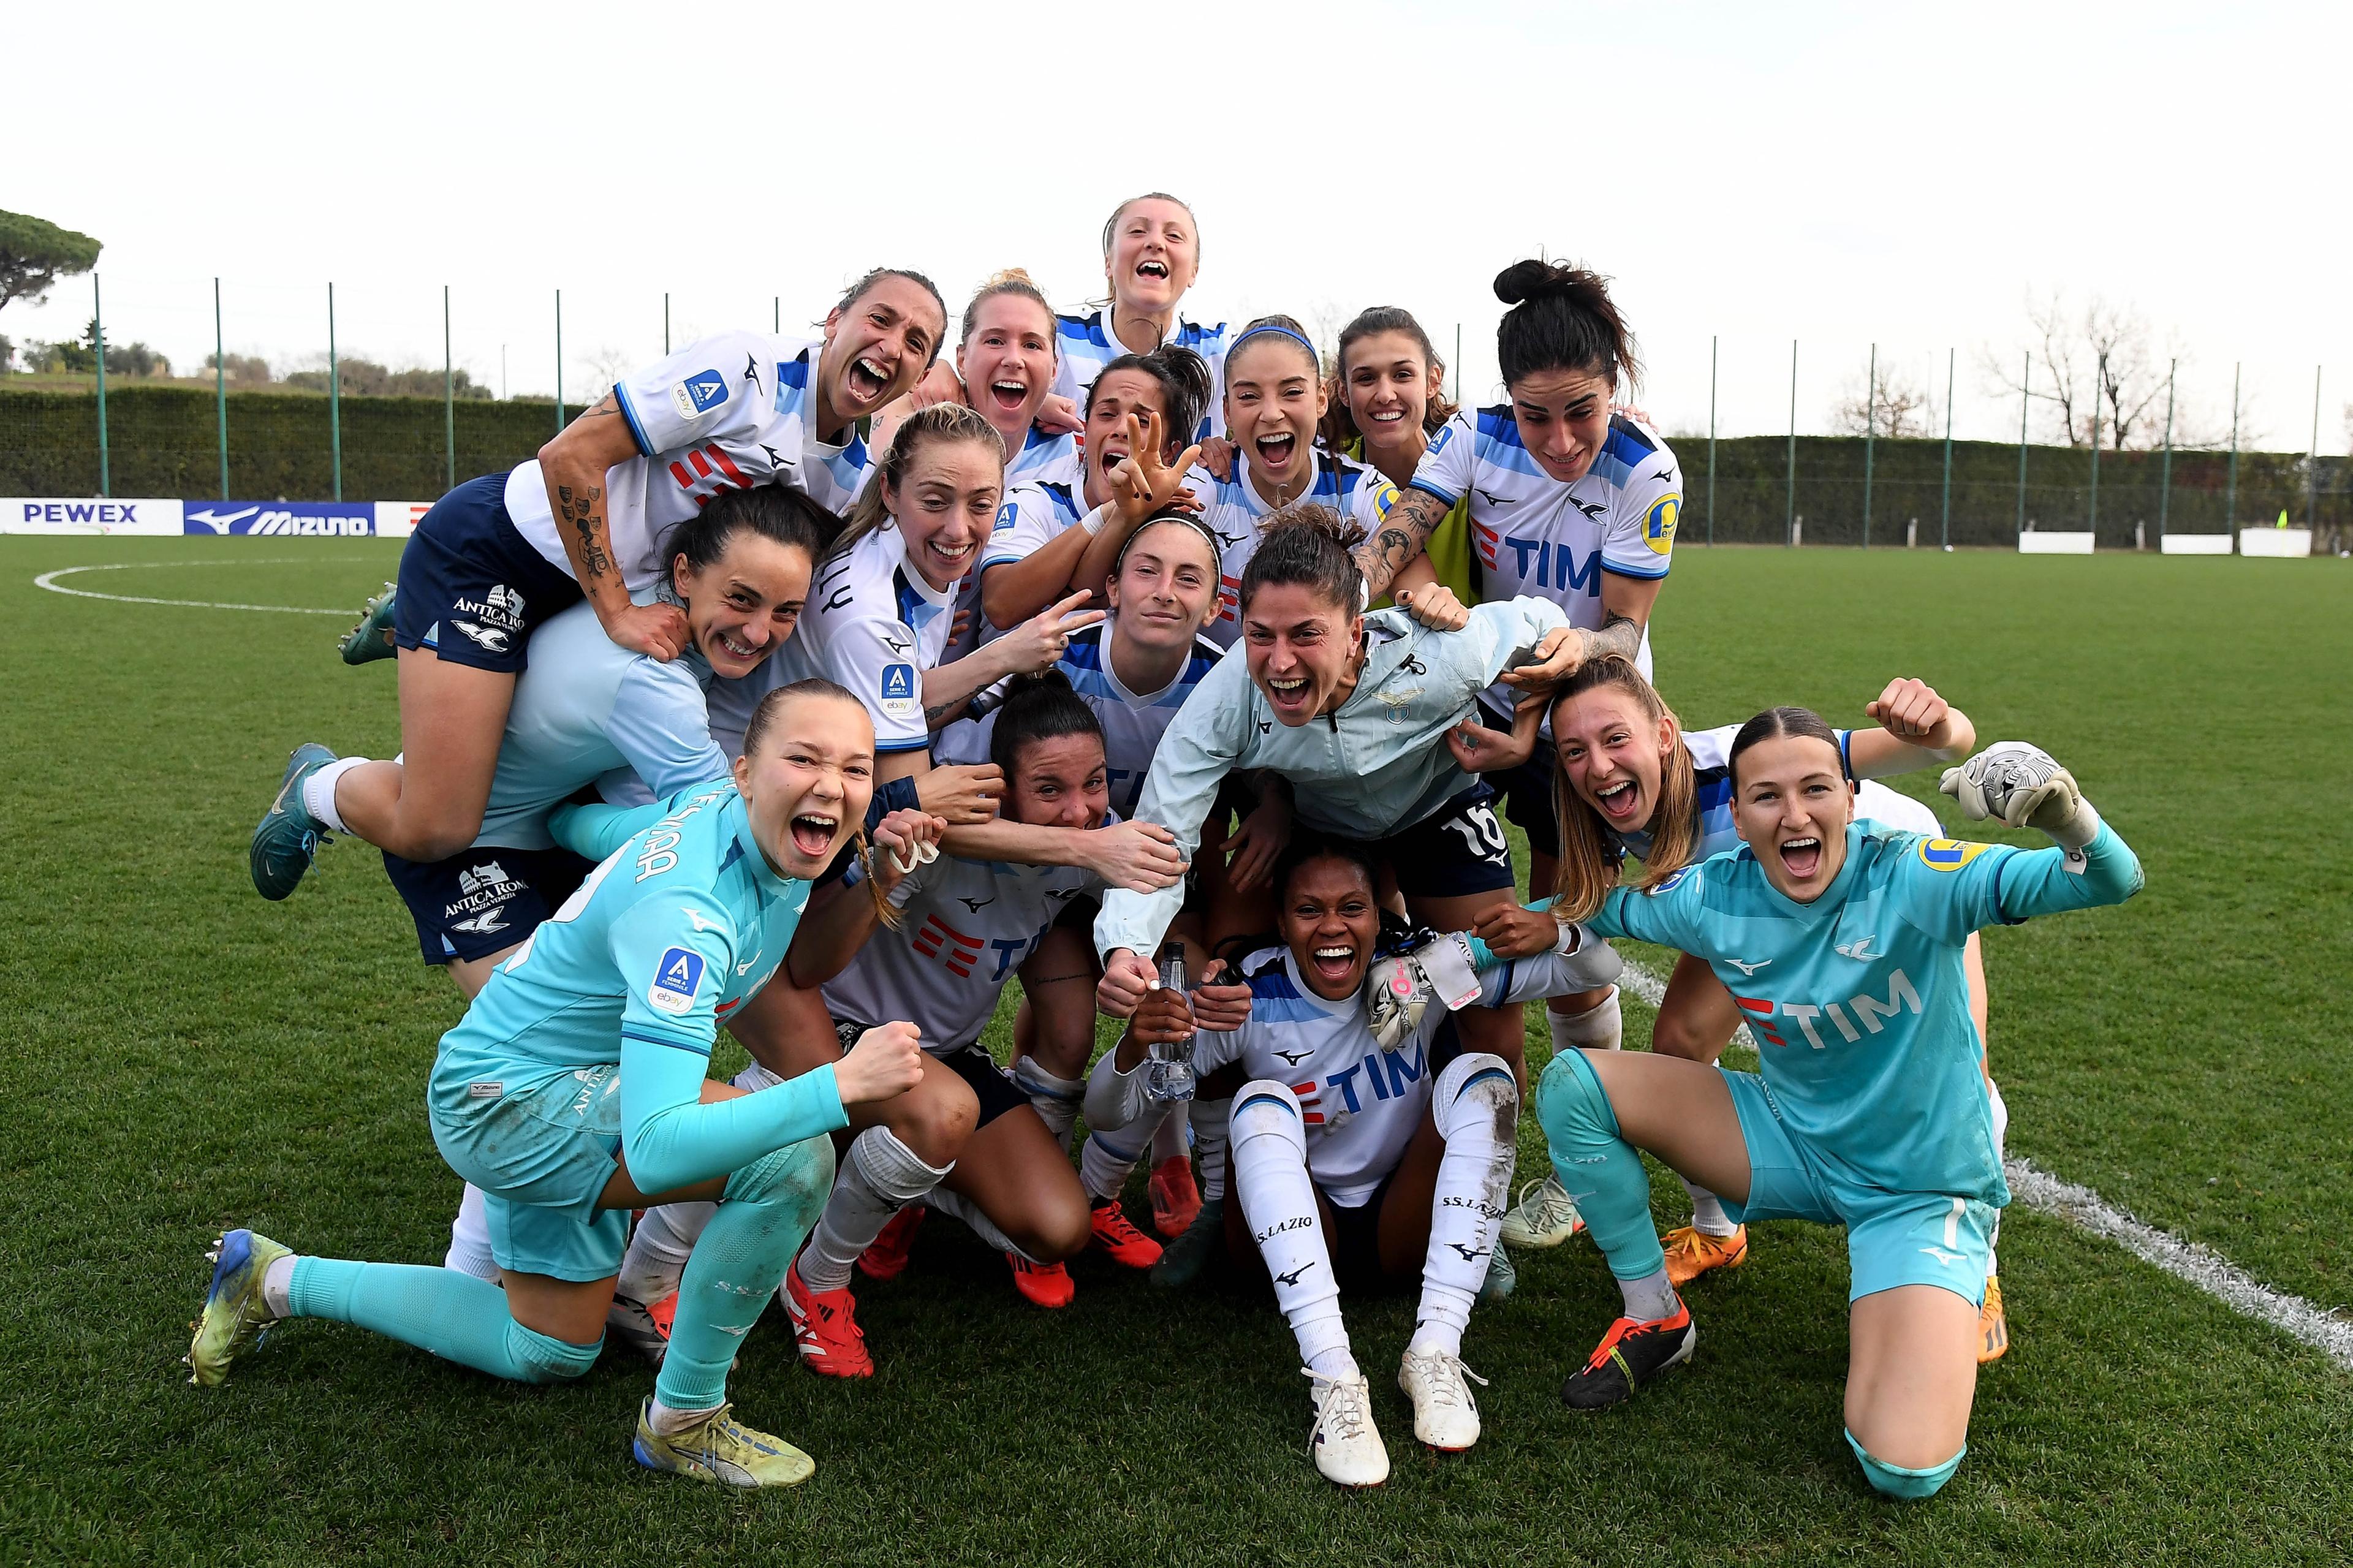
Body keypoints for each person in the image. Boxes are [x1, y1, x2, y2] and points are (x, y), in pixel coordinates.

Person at [187, 680, 943, 1488]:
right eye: (806, 757)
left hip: (548, 1085)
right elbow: (654, 1151)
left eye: (855, 768)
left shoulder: (743, 820)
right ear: (746, 769)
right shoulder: (686, 914)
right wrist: (836, 1086)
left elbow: (595, 825)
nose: (833, 783)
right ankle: (684, 1419)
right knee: (792, 1157)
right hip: (512, 1103)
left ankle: (267, 1275)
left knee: (547, 1348)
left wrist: (877, 876)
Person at [1493, 719, 2142, 1499]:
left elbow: (2108, 878)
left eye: (1814, 790)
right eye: (1766, 796)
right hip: (1791, 1142)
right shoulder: (1716, 892)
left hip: (1917, 1188)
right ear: (1739, 815)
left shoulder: (1917, 876)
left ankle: (1955, 1274)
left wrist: (2061, 815)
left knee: (1904, 1466)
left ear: (1851, 798)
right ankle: (1656, 1315)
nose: (1793, 816)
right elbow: (1607, 910)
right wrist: (1537, 922)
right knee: (1576, 1085)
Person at [253, 269, 949, 900]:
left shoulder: (846, 473)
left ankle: (419, 629)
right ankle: (317, 784)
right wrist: (617, 611)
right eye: (880, 320)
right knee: (438, 824)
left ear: (922, 370)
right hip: (503, 560)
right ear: (834, 321)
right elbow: (571, 454)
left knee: (554, 768)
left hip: (593, 602)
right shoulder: (745, 372)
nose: (893, 345)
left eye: (917, 341)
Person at [1091, 506, 1585, 1276]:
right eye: (1261, 636)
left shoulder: (1441, 652)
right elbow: (1163, 830)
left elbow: (1545, 621)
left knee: (1492, 1014)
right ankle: (1225, 1197)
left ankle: (1470, 1220)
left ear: (1357, 632)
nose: (1280, 662)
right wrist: (1125, 943)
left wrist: (1527, 722)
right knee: (1231, 982)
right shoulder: (1226, 699)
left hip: (1433, 809)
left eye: (1305, 636)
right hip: (1319, 830)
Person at [1488, 657, 2016, 1361]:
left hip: (1892, 884)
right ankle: (1717, 1227)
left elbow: (1937, 748)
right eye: (1576, 750)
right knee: (1678, 1043)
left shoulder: (1730, 762)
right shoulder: (1598, 804)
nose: (1599, 765)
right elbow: (1613, 906)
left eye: (1616, 740)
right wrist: (1529, 928)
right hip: (1757, 896)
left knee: (1961, 1071)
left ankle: (1979, 1275)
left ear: (1665, 736)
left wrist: (1938, 722)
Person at [384, 483, 829, 1281]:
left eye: (785, 610)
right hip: (474, 845)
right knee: (545, 1054)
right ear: (685, 574)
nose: (762, 630)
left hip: (545, 830)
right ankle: (471, 1270)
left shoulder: (648, 620)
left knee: (575, 1050)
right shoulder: (654, 684)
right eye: (742, 598)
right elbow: (706, 820)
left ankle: (512, 1260)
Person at [1086, 835, 1624, 1485]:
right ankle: (1334, 1377)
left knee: (1483, 1075)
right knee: (1259, 1101)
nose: (1334, 927)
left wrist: (1545, 933)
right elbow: (1107, 1113)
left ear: (1379, 914)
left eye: (1353, 907)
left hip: (1404, 1230)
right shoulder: (1248, 995)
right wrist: (1134, 1046)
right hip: (1291, 1240)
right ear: (1282, 923)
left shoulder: (1410, 977)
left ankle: (1436, 1350)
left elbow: (1598, 970)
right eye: (1310, 911)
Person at [1368, 259, 1683, 1236]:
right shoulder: (1474, 435)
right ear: (1506, 401)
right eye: (1535, 415)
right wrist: (1388, 580)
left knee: (1568, 925)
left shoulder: (1647, 468)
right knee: (1439, 897)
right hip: (1474, 699)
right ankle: (1420, 1120)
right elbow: (1400, 529)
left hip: (1585, 710)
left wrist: (1559, 671)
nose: (1557, 439)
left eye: (1579, 412)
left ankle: (1588, 1163)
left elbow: (1624, 632)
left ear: (1613, 387)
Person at [941, 511, 1227, 1235]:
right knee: (1066, 1035)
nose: (1165, 591)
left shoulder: (1225, 683)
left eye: (1188, 577)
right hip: (1037, 873)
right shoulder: (1054, 664)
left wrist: (1278, 807)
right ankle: (1016, 1178)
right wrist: (1088, 846)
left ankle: (1123, 1168)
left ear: (1216, 605)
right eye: (1147, 570)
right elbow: (954, 793)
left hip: (1142, 879)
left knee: (1179, 994)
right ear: (1112, 587)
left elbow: (1267, 761)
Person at [976, 348, 1214, 636]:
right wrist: (1111, 512)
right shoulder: (1034, 500)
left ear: (1169, 451)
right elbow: (1001, 606)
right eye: (1107, 414)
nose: (1122, 429)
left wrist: (1130, 516)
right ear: (1086, 431)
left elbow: (1082, 605)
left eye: (1142, 421)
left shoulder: (1168, 532)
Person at [1322, 305, 1476, 608]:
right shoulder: (1330, 476)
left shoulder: (1475, 476)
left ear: (1433, 381)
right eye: (1366, 379)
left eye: (1402, 375)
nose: (1385, 394)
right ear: (1343, 391)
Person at [1051, 192, 1229, 439]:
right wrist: (1032, 405)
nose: (1156, 243)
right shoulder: (1055, 339)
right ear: (1108, 263)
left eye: (1174, 236)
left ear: (1193, 272)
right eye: (1137, 231)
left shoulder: (1221, 350)